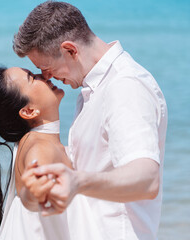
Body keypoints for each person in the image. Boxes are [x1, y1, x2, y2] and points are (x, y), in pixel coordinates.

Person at [13, 1, 168, 240]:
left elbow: (147, 180)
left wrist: (78, 181)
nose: (47, 78)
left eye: (47, 68)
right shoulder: (92, 91)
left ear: (70, 50)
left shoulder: (125, 86)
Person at [0, 66, 73, 239]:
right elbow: (37, 193)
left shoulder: (31, 142)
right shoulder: (38, 148)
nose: (43, 76)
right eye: (32, 78)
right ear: (29, 111)